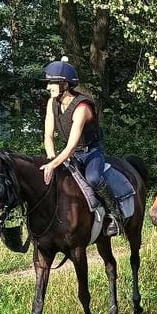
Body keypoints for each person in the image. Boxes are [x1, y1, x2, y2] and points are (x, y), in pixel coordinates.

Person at [39, 57, 124, 236]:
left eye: (52, 83)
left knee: (93, 178)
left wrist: (54, 164)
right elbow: (48, 135)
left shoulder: (82, 107)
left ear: (65, 84)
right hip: (71, 154)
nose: (48, 87)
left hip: (91, 152)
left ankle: (114, 215)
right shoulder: (51, 103)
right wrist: (51, 158)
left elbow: (71, 146)